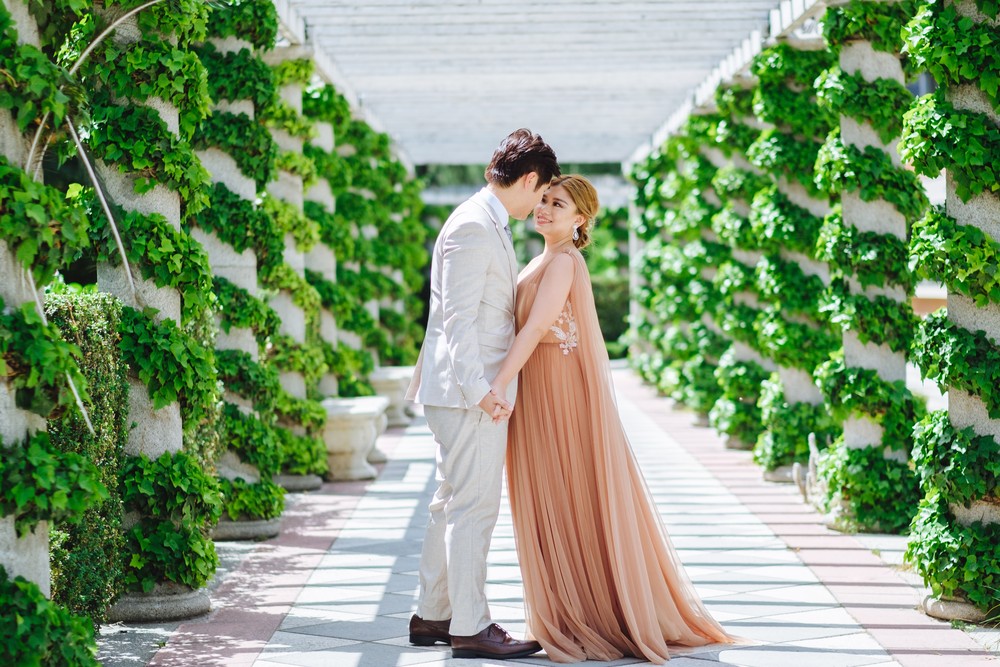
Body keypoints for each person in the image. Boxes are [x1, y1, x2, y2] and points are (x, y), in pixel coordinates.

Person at [490, 175, 735, 663]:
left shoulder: (565, 261)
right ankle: (560, 607)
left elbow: (539, 325)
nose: (544, 209)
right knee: (546, 494)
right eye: (542, 201)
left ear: (579, 219)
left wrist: (498, 383)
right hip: (537, 386)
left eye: (557, 204)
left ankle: (587, 611)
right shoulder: (540, 258)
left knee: (567, 490)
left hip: (558, 390)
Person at [404, 128, 560, 660]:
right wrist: (482, 391)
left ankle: (432, 615)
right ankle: (471, 626)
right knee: (474, 508)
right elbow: (456, 321)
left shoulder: (483, 219)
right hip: (470, 393)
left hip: (462, 391)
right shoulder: (474, 225)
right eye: (543, 194)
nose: (542, 204)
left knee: (451, 503)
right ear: (532, 179)